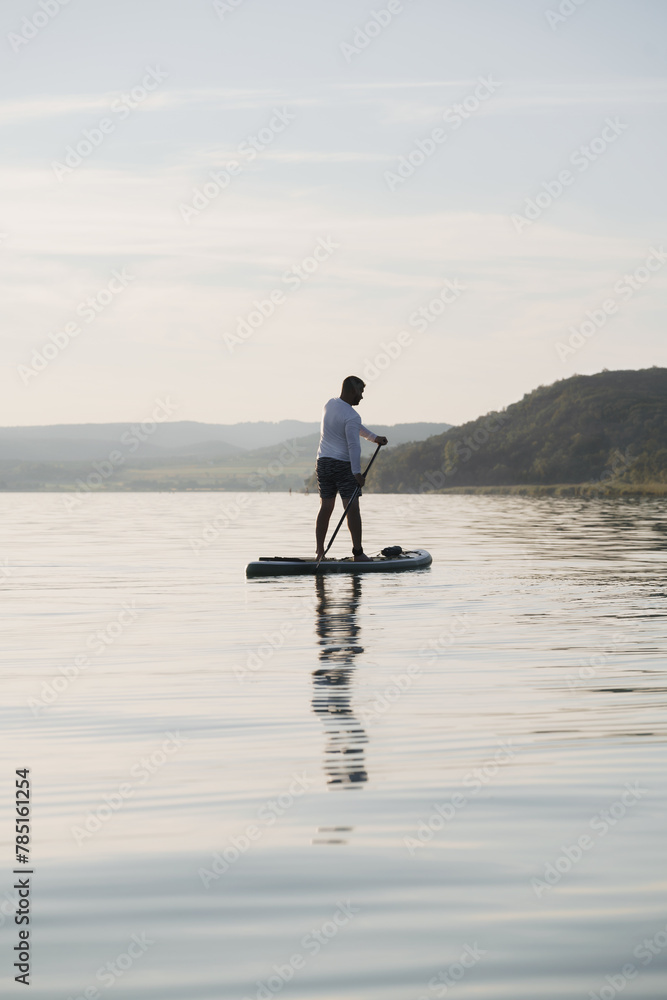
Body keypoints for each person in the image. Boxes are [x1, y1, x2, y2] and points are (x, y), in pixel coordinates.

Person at [315, 376, 388, 562]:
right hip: (342, 465)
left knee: (326, 507)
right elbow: (353, 445)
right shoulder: (352, 415)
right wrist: (357, 473)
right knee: (352, 508)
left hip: (322, 462)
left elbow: (354, 427)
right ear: (351, 390)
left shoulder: (329, 404)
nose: (362, 397)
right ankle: (358, 554)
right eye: (360, 392)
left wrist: (374, 438)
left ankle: (320, 553)